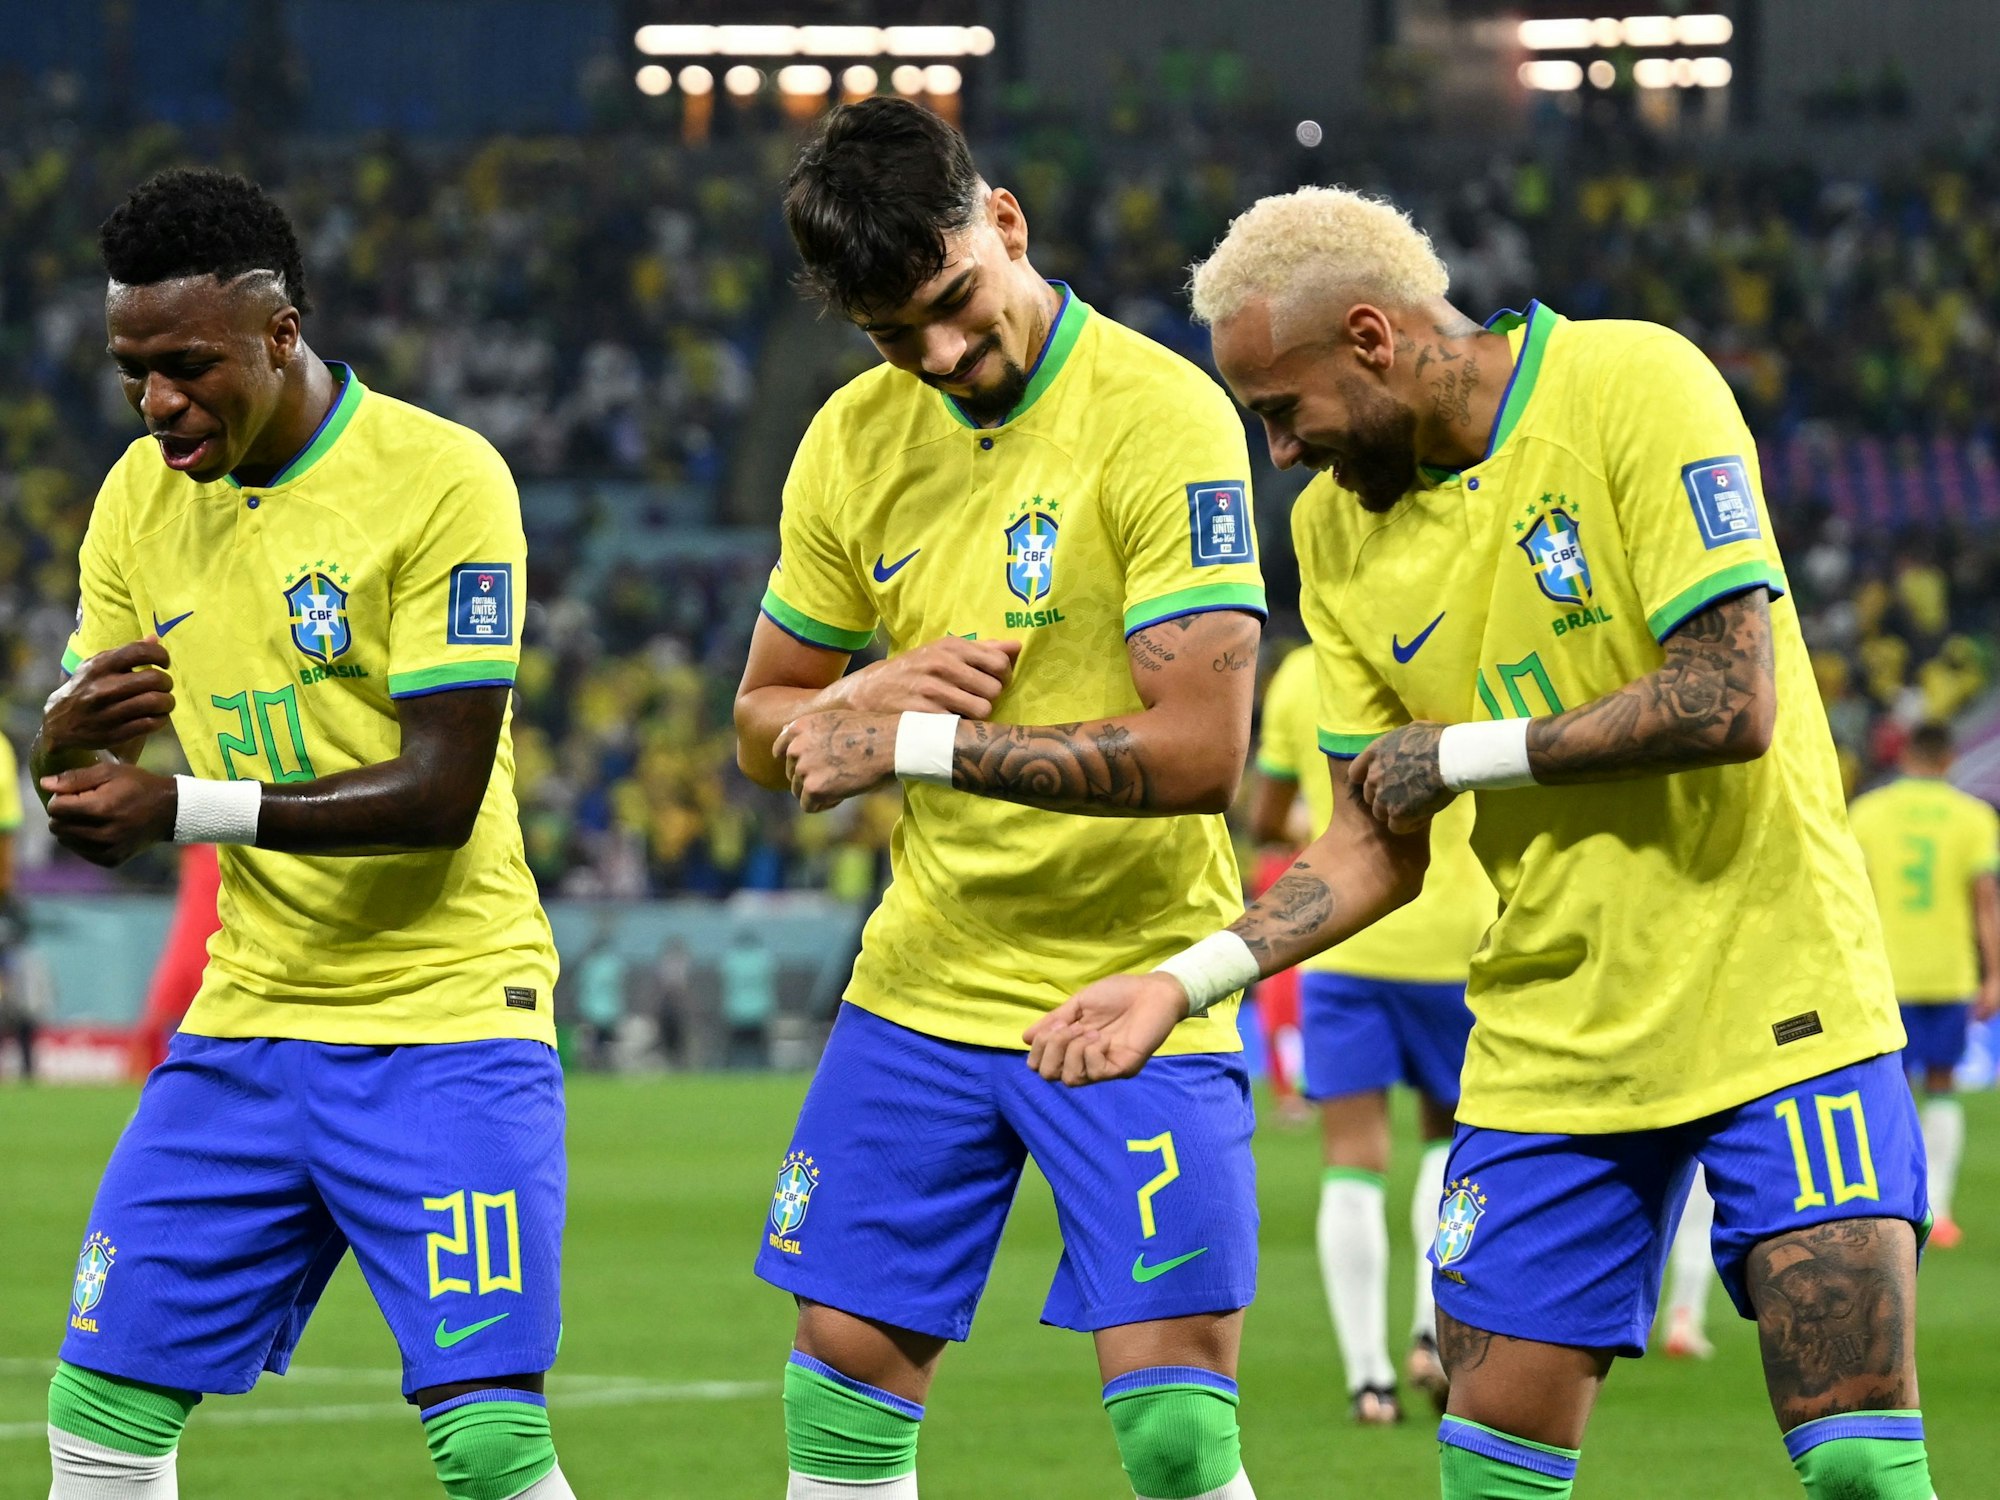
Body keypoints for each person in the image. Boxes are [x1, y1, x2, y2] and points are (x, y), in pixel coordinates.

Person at [1029, 186, 1935, 1500]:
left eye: (1285, 410)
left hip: (1780, 1004)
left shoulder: (1635, 383)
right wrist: (1184, 984)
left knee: (1858, 1470)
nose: (1280, 454)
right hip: (1544, 1052)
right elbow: (1370, 843)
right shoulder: (1336, 535)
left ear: (1372, 337)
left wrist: (1459, 751)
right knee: (1492, 1480)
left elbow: (1729, 698)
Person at [734, 98, 1267, 1500]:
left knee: (1171, 1428)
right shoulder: (852, 442)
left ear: (1007, 224)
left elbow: (1204, 752)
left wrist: (902, 745)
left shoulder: (1162, 417)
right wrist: (861, 696)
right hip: (923, 986)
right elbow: (760, 721)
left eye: (956, 303)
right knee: (841, 1379)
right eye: (896, 337)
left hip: (1135, 984)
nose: (944, 355)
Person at [35, 169, 573, 1500]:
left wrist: (182, 807)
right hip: (252, 1024)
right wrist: (63, 740)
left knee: (491, 1446)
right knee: (98, 1422)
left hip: (444, 1019)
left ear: (282, 336)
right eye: (132, 372)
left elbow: (439, 796)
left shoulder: (442, 479)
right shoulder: (134, 500)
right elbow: (95, 794)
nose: (159, 403)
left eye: (187, 367)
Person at [1250, 643, 1492, 1421]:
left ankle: (1368, 1381)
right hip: (1457, 938)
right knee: (1453, 1147)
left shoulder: (1298, 674)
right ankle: (1431, 1331)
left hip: (1342, 936)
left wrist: (1319, 817)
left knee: (1351, 1162)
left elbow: (1264, 818)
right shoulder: (1469, 645)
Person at [1848, 721, 2000, 1248]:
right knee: (1942, 1085)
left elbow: (1849, 896)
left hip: (1881, 975)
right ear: (1949, 758)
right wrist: (1995, 974)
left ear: (1906, 754)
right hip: (1948, 973)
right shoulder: (1974, 817)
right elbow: (1985, 902)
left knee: (1888, 1090)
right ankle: (1941, 1207)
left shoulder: (1867, 812)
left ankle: (1892, 1201)